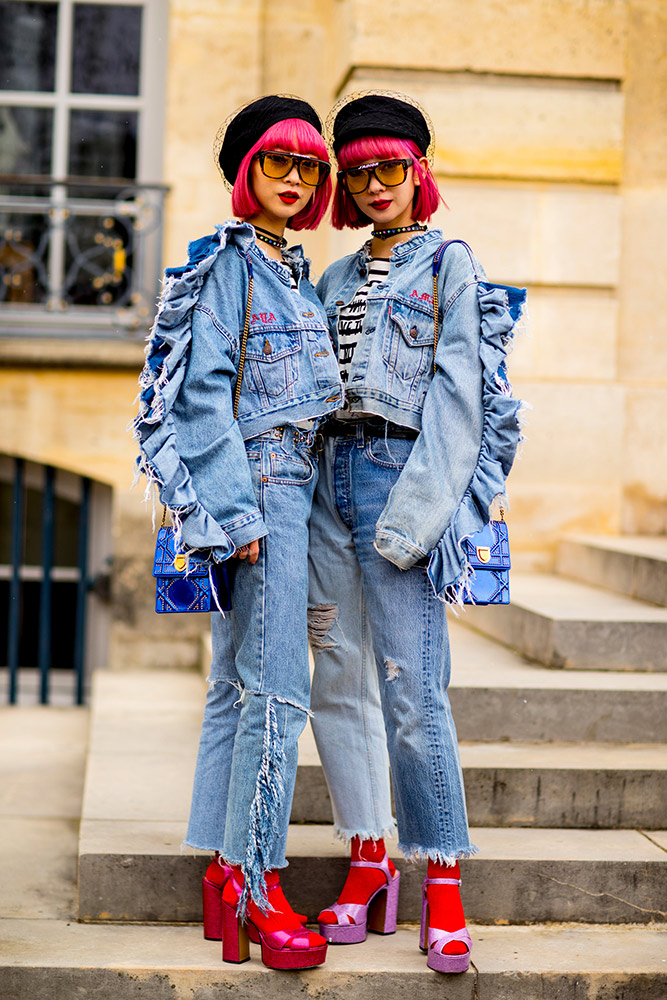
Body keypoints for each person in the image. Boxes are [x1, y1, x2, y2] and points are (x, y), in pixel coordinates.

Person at [307, 91, 526, 974]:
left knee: (411, 690)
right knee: (335, 680)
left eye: (387, 168)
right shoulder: (329, 278)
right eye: (355, 174)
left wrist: (421, 516)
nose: (372, 185)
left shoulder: (451, 268)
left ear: (417, 171)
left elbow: (463, 404)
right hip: (327, 483)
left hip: (403, 479)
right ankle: (367, 865)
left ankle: (440, 884)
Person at [133, 95, 343, 971]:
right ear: (244, 171)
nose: (292, 180)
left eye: (307, 167)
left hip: (284, 491)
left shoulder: (286, 267)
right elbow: (201, 398)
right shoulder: (233, 266)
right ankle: (258, 884)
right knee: (276, 691)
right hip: (262, 494)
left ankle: (222, 881)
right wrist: (236, 512)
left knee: (234, 688)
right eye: (276, 162)